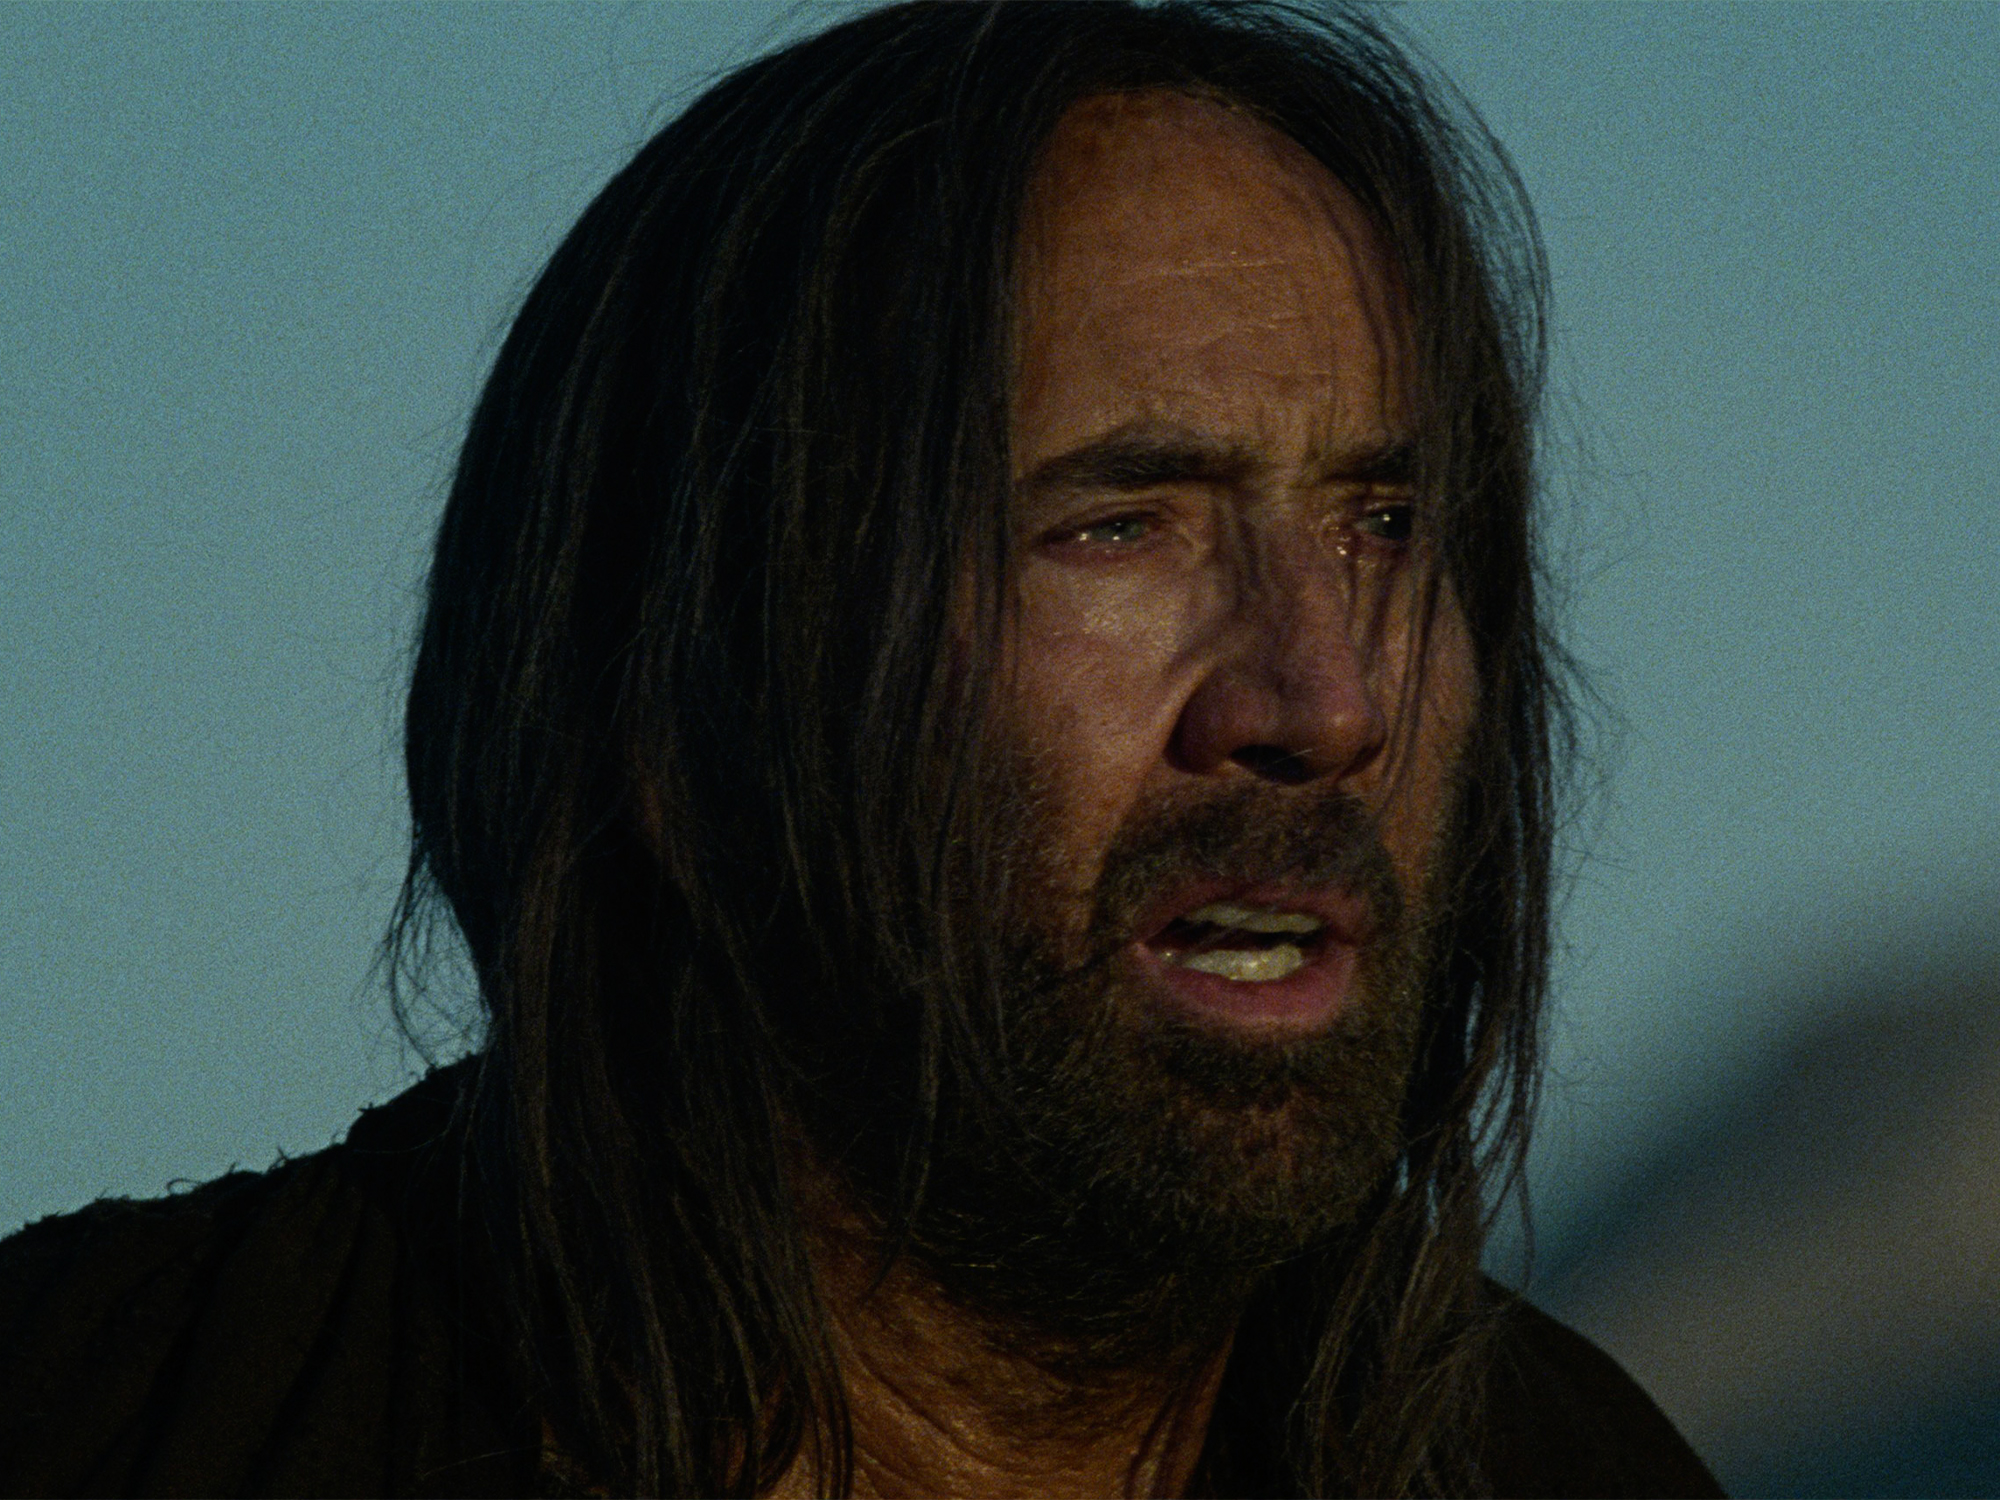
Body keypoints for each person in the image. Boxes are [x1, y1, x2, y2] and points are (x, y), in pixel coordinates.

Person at [0, 4, 1722, 1495]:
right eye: (1118, 528)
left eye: (1386, 526)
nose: (1325, 700)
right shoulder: (104, 1423)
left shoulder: (1573, 1471)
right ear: (676, 706)